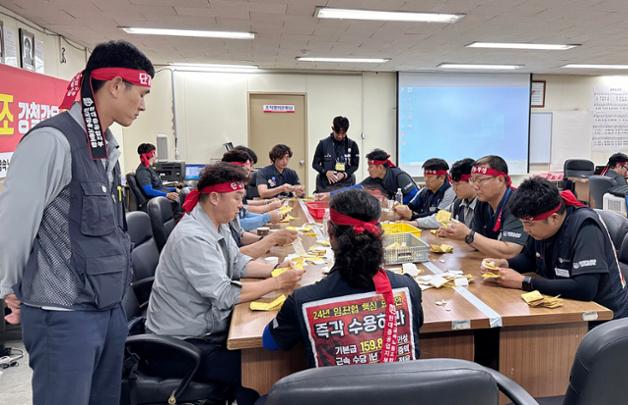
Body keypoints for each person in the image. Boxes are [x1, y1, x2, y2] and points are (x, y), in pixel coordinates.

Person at [0, 40, 154, 404]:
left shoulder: (107, 148)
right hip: (63, 315)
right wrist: (6, 287)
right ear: (116, 85)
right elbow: (13, 222)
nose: (143, 104)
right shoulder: (52, 141)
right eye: (141, 93)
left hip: (107, 308)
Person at [146, 162, 304, 405]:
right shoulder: (193, 237)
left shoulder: (214, 226)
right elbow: (223, 294)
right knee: (271, 367)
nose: (241, 204)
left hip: (205, 331)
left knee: (268, 361)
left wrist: (276, 271)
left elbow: (238, 263)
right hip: (181, 345)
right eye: (237, 198)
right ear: (216, 198)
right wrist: (276, 283)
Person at [262, 189, 424, 368]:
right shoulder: (408, 288)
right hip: (401, 395)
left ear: (330, 232)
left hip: (332, 397)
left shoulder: (304, 300)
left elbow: (269, 342)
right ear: (379, 233)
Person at [487, 177, 628, 319]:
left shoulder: (586, 227)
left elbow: (585, 288)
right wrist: (505, 263)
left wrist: (524, 282)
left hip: (604, 316)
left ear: (554, 218)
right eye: (522, 223)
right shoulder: (541, 226)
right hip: (568, 307)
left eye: (529, 224)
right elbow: (530, 258)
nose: (525, 230)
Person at [437, 155, 527, 259]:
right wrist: (456, 233)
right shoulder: (482, 202)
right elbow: (476, 243)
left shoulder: (517, 203)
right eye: (473, 180)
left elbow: (510, 252)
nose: (475, 186)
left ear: (501, 180)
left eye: (480, 180)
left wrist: (468, 234)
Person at [413, 158, 478, 229]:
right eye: (452, 184)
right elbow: (439, 218)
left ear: (473, 181)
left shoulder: (485, 207)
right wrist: (415, 223)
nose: (454, 188)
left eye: (457, 184)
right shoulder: (458, 204)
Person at [394, 158, 455, 225]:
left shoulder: (450, 192)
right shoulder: (424, 191)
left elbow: (438, 217)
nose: (426, 180)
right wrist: (400, 209)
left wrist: (412, 216)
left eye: (429, 177)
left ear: (442, 177)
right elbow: (410, 207)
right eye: (425, 176)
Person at [312, 116, 360, 192]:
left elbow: (355, 165)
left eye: (343, 133)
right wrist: (326, 172)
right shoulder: (323, 144)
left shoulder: (352, 145)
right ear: (333, 128)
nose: (340, 136)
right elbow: (315, 164)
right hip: (326, 184)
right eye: (338, 133)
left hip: (346, 184)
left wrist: (345, 174)